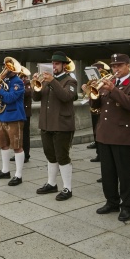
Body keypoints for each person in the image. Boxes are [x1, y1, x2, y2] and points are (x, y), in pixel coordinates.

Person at [92, 54, 130, 221]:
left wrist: (113, 90)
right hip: (105, 133)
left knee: (125, 173)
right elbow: (97, 106)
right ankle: (111, 201)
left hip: (121, 134)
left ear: (128, 66)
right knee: (107, 172)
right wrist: (94, 93)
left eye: (119, 66)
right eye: (113, 66)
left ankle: (126, 206)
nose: (116, 69)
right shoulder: (109, 83)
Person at [33, 52, 78, 200]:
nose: (54, 66)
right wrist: (36, 85)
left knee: (62, 156)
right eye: (53, 63)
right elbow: (36, 97)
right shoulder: (46, 80)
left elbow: (66, 97)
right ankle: (52, 184)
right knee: (50, 155)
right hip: (46, 123)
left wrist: (52, 81)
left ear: (64, 65)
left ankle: (67, 188)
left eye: (57, 64)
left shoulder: (70, 81)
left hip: (62, 124)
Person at [0, 59, 26, 185]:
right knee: (3, 145)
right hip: (2, 116)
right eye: (5, 66)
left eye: (8, 67)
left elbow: (10, 98)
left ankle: (18, 175)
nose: (5, 69)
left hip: (14, 117)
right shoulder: (5, 81)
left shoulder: (18, 82)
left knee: (17, 146)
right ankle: (5, 171)